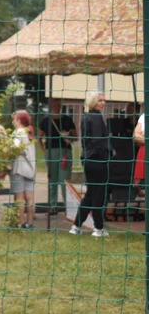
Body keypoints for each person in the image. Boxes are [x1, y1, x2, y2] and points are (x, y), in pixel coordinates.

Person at [72, 91, 111, 237]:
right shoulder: (95, 117)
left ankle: (76, 226)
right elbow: (96, 141)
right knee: (99, 195)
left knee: (90, 194)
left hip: (88, 159)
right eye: (100, 100)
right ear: (93, 102)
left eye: (104, 100)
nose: (103, 103)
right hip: (96, 160)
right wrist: (107, 154)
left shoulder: (86, 116)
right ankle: (98, 228)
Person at [38, 101, 76, 213]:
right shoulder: (45, 121)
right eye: (54, 105)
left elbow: (76, 136)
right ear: (50, 106)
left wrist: (68, 136)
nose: (56, 107)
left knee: (65, 180)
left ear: (61, 107)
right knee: (52, 180)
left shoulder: (67, 120)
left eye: (58, 105)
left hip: (65, 152)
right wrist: (44, 152)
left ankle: (68, 206)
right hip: (51, 152)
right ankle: (52, 206)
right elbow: (39, 138)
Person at [11, 110, 37, 229]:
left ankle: (19, 223)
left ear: (19, 120)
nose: (13, 122)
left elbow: (15, 148)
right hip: (30, 169)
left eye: (14, 120)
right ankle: (30, 223)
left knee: (20, 198)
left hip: (19, 168)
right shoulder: (29, 132)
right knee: (30, 198)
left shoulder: (18, 132)